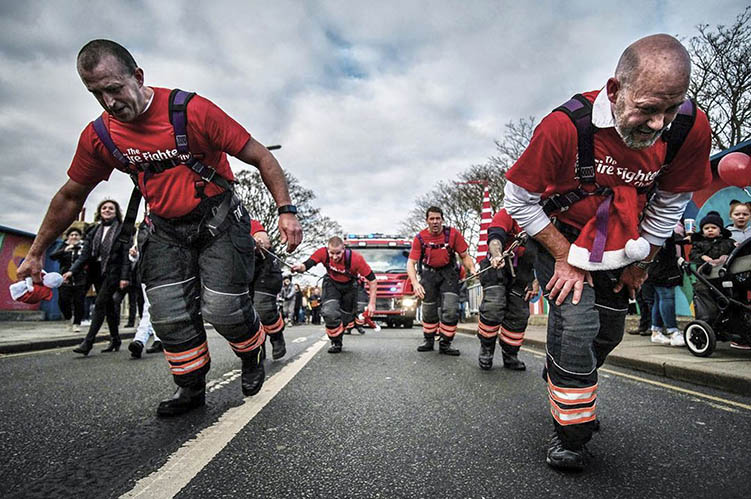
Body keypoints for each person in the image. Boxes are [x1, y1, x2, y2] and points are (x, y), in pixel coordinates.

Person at [16, 39, 302, 417]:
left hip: (218, 222)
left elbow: (261, 156)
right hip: (164, 230)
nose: (109, 102)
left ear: (137, 76)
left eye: (114, 89)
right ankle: (191, 387)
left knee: (224, 308)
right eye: (96, 94)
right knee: (169, 314)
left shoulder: (191, 110)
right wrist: (36, 252)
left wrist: (286, 210)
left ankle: (252, 353)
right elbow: (70, 196)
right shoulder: (100, 136)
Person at [503, 34, 712, 470]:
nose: (658, 124)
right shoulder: (563, 126)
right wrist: (564, 256)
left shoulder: (690, 128)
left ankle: (561, 369)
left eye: (670, 110)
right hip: (561, 235)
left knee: (609, 331)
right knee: (576, 327)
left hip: (624, 240)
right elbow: (518, 200)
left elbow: (671, 201)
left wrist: (643, 262)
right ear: (615, 91)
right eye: (649, 108)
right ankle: (572, 435)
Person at [407, 206, 476, 355]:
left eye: (438, 218)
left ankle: (446, 343)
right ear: (427, 221)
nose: (435, 222)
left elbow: (465, 256)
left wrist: (472, 269)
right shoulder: (420, 238)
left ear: (442, 219)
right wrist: (415, 283)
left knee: (451, 309)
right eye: (432, 219)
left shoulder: (453, 234)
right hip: (428, 275)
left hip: (449, 274)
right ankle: (429, 340)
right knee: (429, 309)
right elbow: (411, 263)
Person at [475, 208, 538, 371]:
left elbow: (546, 253)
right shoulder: (507, 213)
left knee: (519, 314)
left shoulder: (543, 217)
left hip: (524, 272)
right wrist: (496, 254)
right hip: (498, 266)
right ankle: (487, 349)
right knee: (493, 307)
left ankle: (510, 355)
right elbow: (495, 238)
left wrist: (536, 281)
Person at [291, 237, 377, 353]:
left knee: (346, 318)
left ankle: (345, 328)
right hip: (331, 283)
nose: (335, 257)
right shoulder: (322, 253)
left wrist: (372, 303)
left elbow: (372, 280)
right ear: (327, 250)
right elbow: (307, 264)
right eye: (332, 253)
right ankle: (336, 341)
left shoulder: (356, 259)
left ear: (344, 249)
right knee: (329, 312)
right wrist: (299, 267)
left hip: (350, 286)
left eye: (338, 253)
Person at [67, 199, 131, 354]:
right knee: (109, 307)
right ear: (99, 211)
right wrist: (71, 271)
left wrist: (124, 277)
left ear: (116, 212)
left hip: (113, 273)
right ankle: (115, 339)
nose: (107, 210)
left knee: (100, 304)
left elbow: (125, 257)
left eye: (111, 208)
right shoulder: (93, 231)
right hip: (96, 273)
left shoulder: (122, 230)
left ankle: (88, 343)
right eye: (104, 208)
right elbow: (84, 255)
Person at [689, 211, 738, 345]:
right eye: (706, 228)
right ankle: (707, 324)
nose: (710, 230)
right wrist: (704, 258)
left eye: (713, 228)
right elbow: (693, 254)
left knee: (732, 298)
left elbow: (735, 252)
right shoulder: (700, 243)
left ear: (720, 230)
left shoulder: (728, 242)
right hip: (705, 278)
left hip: (724, 278)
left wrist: (727, 257)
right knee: (705, 298)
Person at [250, 219, 286, 360]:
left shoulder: (245, 221)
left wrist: (256, 242)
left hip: (264, 266)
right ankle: (258, 345)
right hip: (241, 270)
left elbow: (264, 241)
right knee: (245, 312)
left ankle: (277, 336)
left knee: (262, 307)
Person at [646, 223, 685, 347]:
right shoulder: (658, 225)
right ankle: (673, 331)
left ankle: (656, 331)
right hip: (660, 268)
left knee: (659, 299)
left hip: (658, 267)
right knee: (667, 297)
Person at [50, 227, 87, 332]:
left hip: (80, 279)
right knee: (63, 300)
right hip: (64, 279)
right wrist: (65, 250)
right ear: (68, 237)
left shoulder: (83, 247)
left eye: (76, 235)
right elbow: (52, 256)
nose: (74, 237)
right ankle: (68, 318)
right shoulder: (63, 246)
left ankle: (77, 323)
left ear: (80, 237)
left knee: (79, 302)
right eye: (72, 235)